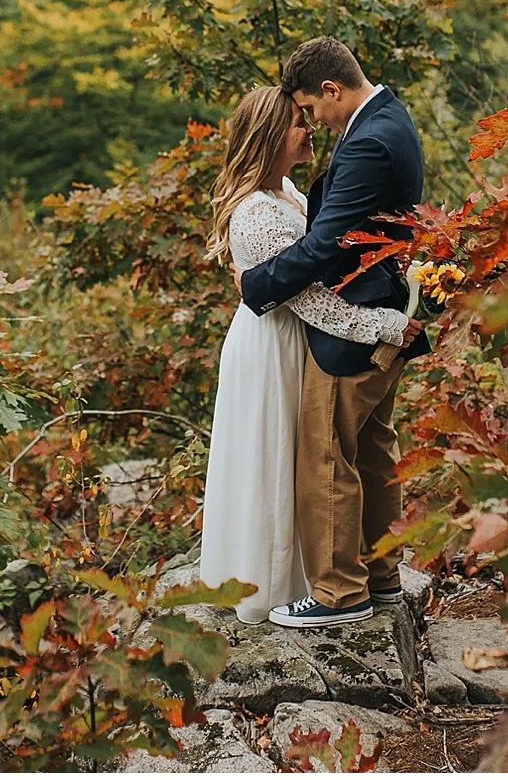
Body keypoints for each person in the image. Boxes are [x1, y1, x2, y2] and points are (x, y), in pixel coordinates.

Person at [198, 85, 423, 625]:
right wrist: (392, 326)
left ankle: (343, 577)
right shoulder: (256, 212)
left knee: (324, 455)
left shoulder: (292, 194)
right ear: (270, 136)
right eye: (298, 121)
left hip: (302, 337)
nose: (310, 127)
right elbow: (315, 303)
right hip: (275, 344)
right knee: (282, 458)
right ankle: (274, 579)